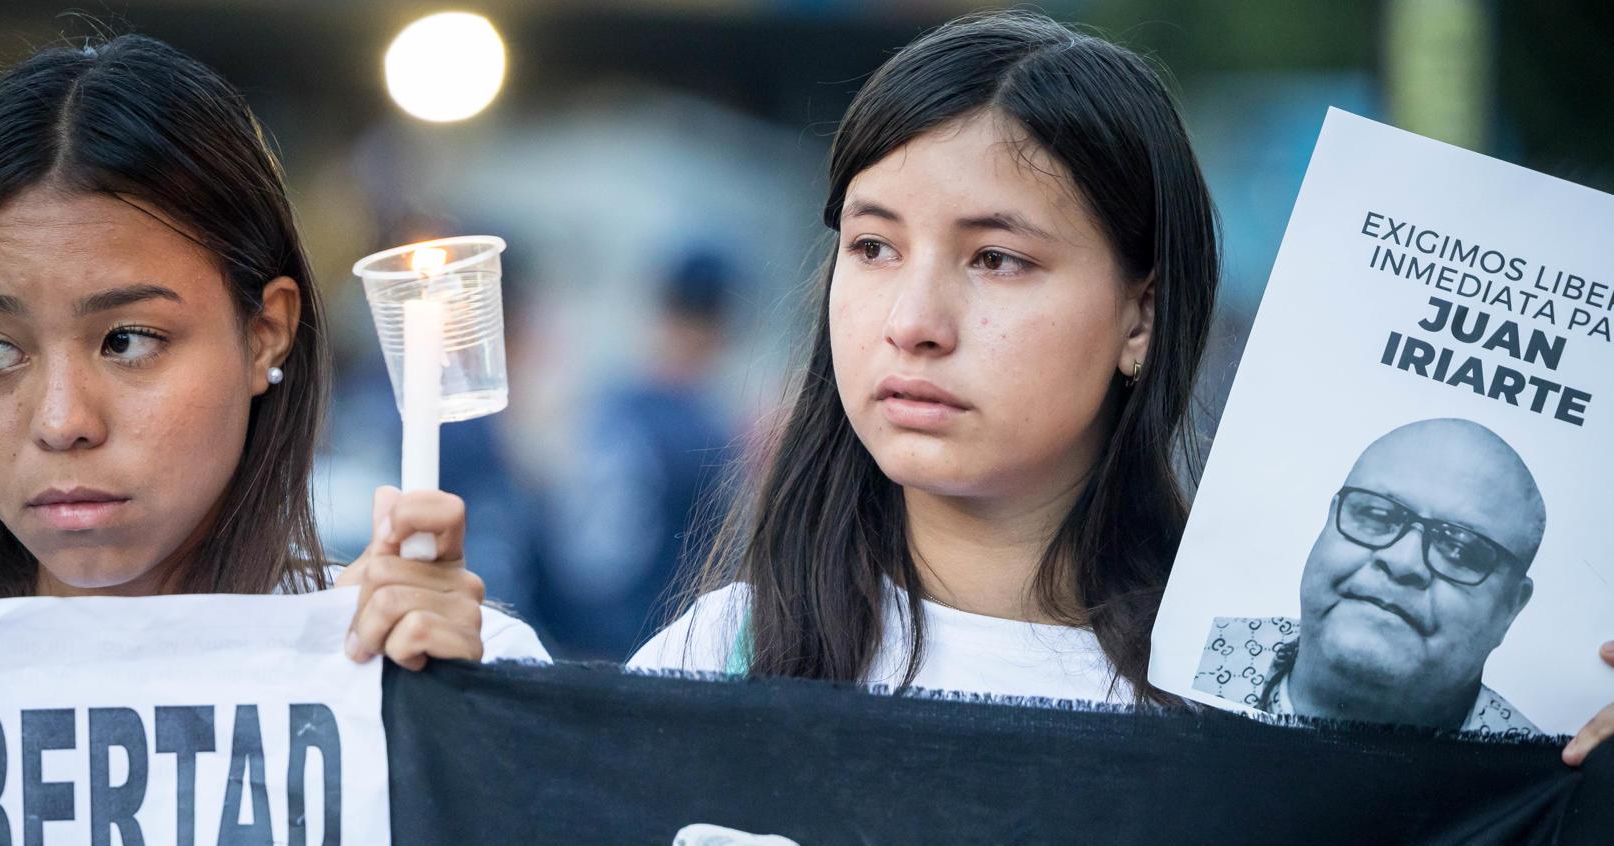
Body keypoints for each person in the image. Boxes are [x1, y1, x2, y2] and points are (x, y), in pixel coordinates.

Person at [627, 11, 1614, 766]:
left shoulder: (1265, 706)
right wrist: (468, 690)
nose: (912, 319)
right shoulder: (724, 660)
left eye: (999, 259)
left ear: (1140, 317)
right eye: (874, 246)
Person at [0, 35, 540, 843]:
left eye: (129, 340)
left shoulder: (451, 666)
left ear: (265, 334)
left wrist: (459, 740)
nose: (60, 421)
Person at [1195, 418, 1543, 734]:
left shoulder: (1556, 776)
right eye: (1376, 514)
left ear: (1511, 608)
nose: (1402, 561)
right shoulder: (1177, 652)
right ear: (1329, 521)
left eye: (1460, 550)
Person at [540, 249, 738, 659]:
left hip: (566, 632)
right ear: (720, 328)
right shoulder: (706, 435)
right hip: (648, 645)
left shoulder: (604, 403)